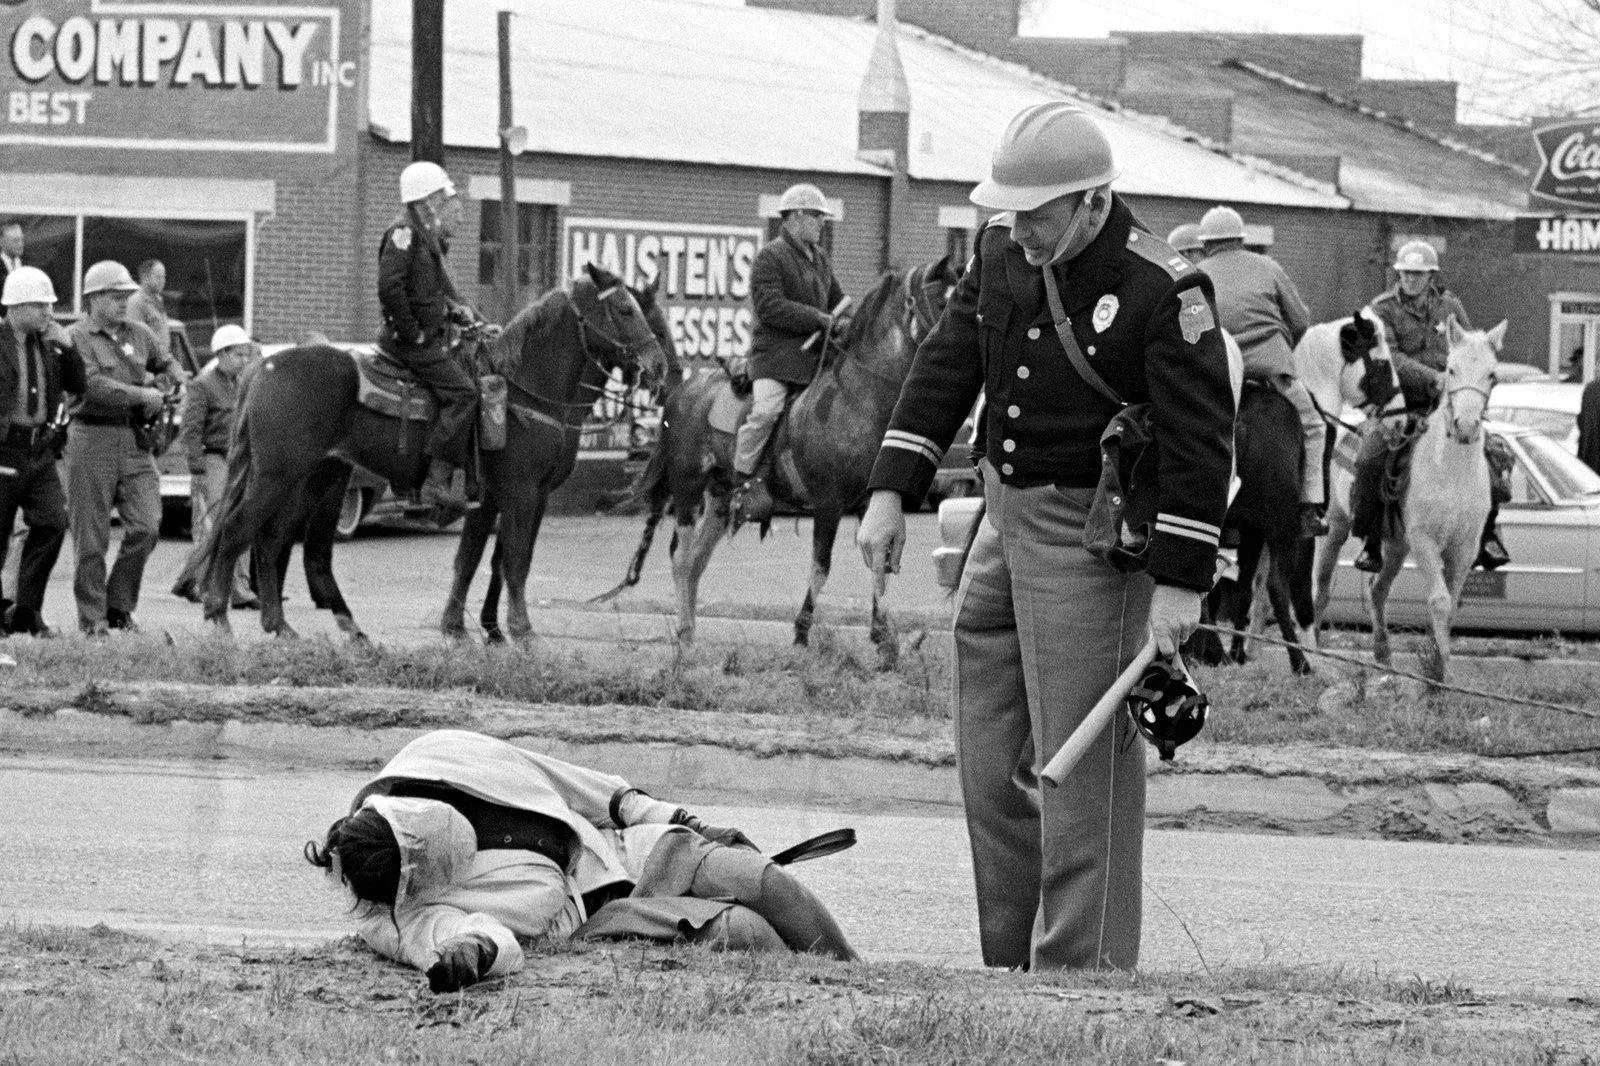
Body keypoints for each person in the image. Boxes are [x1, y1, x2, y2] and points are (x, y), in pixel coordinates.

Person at [856, 102, 1234, 970]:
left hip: (1090, 538)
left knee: (1084, 772)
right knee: (989, 763)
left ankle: (1082, 971)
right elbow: (949, 360)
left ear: (1093, 203)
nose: (1019, 230)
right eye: (1010, 211)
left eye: (1037, 214)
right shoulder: (1000, 250)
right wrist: (889, 488)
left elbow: (1200, 440)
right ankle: (1010, 963)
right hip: (1002, 517)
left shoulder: (1165, 289)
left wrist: (1182, 580)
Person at [305, 729, 857, 992]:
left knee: (762, 879)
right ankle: (821, 998)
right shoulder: (392, 915)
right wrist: (472, 953)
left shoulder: (440, 754)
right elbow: (461, 938)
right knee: (745, 931)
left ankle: (860, 979)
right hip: (595, 915)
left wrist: (685, 821)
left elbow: (579, 785)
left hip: (619, 849)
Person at [1352, 239, 1509, 572]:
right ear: (1399, 274)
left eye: (1418, 274)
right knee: (1369, 459)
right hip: (1399, 405)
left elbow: (1469, 348)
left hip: (1447, 406)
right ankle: (1370, 540)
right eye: (1406, 273)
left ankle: (1487, 536)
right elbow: (1390, 356)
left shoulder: (1450, 306)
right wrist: (1433, 378)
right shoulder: (1382, 309)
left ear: (1431, 276)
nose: (1411, 280)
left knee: (1495, 458)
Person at [65, 260, 188, 636]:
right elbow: (91, 385)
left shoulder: (140, 333)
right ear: (92, 298)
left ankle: (118, 606)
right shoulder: (76, 337)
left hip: (134, 438)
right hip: (91, 437)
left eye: (126, 295)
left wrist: (173, 382)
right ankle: (93, 621)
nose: (123, 302)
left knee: (147, 526)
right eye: (115, 296)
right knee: (91, 539)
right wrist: (143, 394)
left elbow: (168, 362)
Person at [1194, 205, 1326, 536]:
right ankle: (1310, 508)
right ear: (1241, 239)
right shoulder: (1268, 266)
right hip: (1272, 374)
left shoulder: (1194, 274)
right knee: (1314, 427)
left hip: (1219, 378)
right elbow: (1300, 320)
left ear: (1206, 243)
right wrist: (1282, 353)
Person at [730, 182, 847, 526]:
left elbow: (838, 300)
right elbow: (770, 307)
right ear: (795, 216)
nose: (822, 222)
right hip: (776, 358)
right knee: (766, 411)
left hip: (814, 358)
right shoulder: (770, 257)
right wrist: (818, 318)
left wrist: (847, 321)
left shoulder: (820, 259)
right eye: (816, 216)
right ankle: (740, 481)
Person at [378, 161, 482, 520]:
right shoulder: (404, 233)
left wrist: (455, 311)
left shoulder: (424, 236)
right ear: (425, 199)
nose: (443, 201)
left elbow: (426, 292)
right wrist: (413, 333)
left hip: (426, 337)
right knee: (465, 393)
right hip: (409, 342)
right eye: (439, 195)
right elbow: (390, 288)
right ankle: (436, 481)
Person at [0, 267, 85, 637]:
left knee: (53, 522)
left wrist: (68, 347)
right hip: (5, 449)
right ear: (17, 305)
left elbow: (78, 385)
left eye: (50, 305)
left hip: (40, 451)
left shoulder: (50, 343)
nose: (49, 312)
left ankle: (27, 611)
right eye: (41, 305)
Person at [175, 324, 257, 609]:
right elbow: (191, 430)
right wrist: (197, 469)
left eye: (247, 355)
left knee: (241, 521)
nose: (244, 360)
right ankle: (197, 582)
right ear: (221, 354)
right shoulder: (203, 385)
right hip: (213, 459)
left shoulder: (243, 385)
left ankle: (239, 588)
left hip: (239, 461)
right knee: (211, 524)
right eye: (238, 355)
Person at [125, 260, 171, 361]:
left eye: (164, 277)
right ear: (145, 277)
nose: (163, 281)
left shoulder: (158, 300)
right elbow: (134, 338)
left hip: (163, 361)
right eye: (158, 277)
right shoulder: (136, 302)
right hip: (146, 363)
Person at [0, 221, 23, 320]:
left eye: (21, 240)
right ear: (2, 242)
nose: (20, 244)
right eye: (15, 240)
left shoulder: (29, 265)